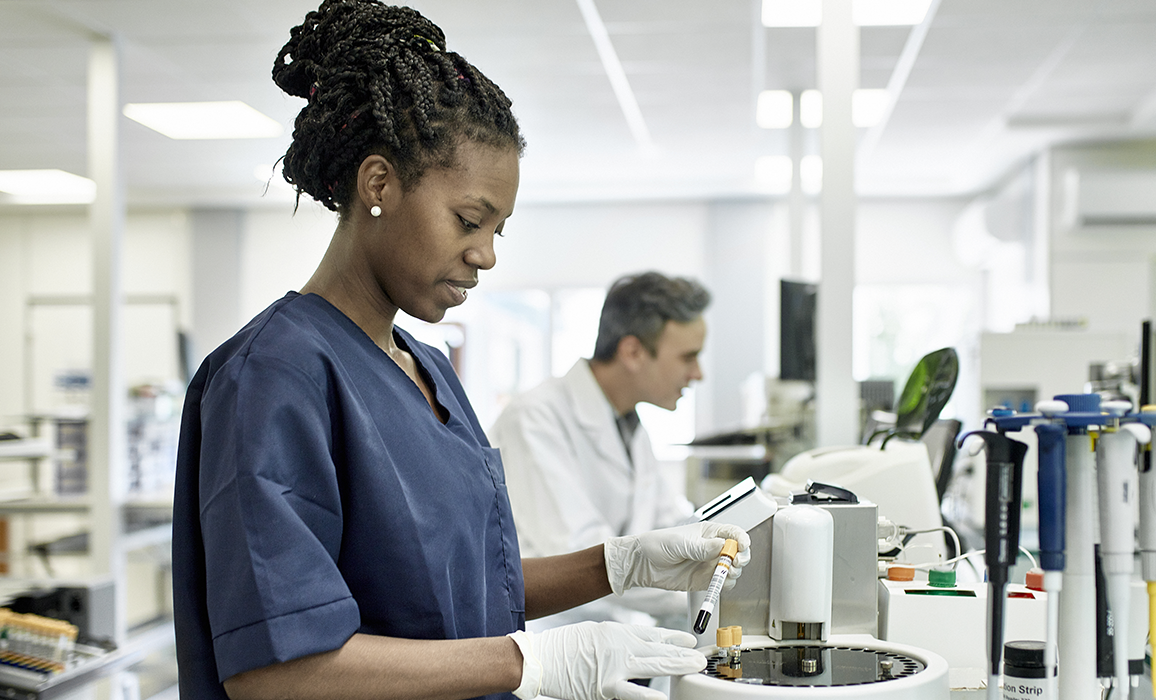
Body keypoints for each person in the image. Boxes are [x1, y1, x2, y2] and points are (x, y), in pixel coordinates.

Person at [170, 3, 749, 700]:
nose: (487, 255)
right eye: (470, 221)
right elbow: (276, 669)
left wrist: (619, 565)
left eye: (499, 227)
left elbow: (472, 588)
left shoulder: (429, 371)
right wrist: (528, 663)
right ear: (378, 184)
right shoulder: (272, 376)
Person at [489, 273, 709, 631]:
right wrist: (703, 585)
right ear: (633, 352)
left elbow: (669, 524)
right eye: (689, 357)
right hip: (558, 645)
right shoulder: (535, 418)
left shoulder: (630, 425)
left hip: (619, 628)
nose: (697, 374)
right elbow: (585, 557)